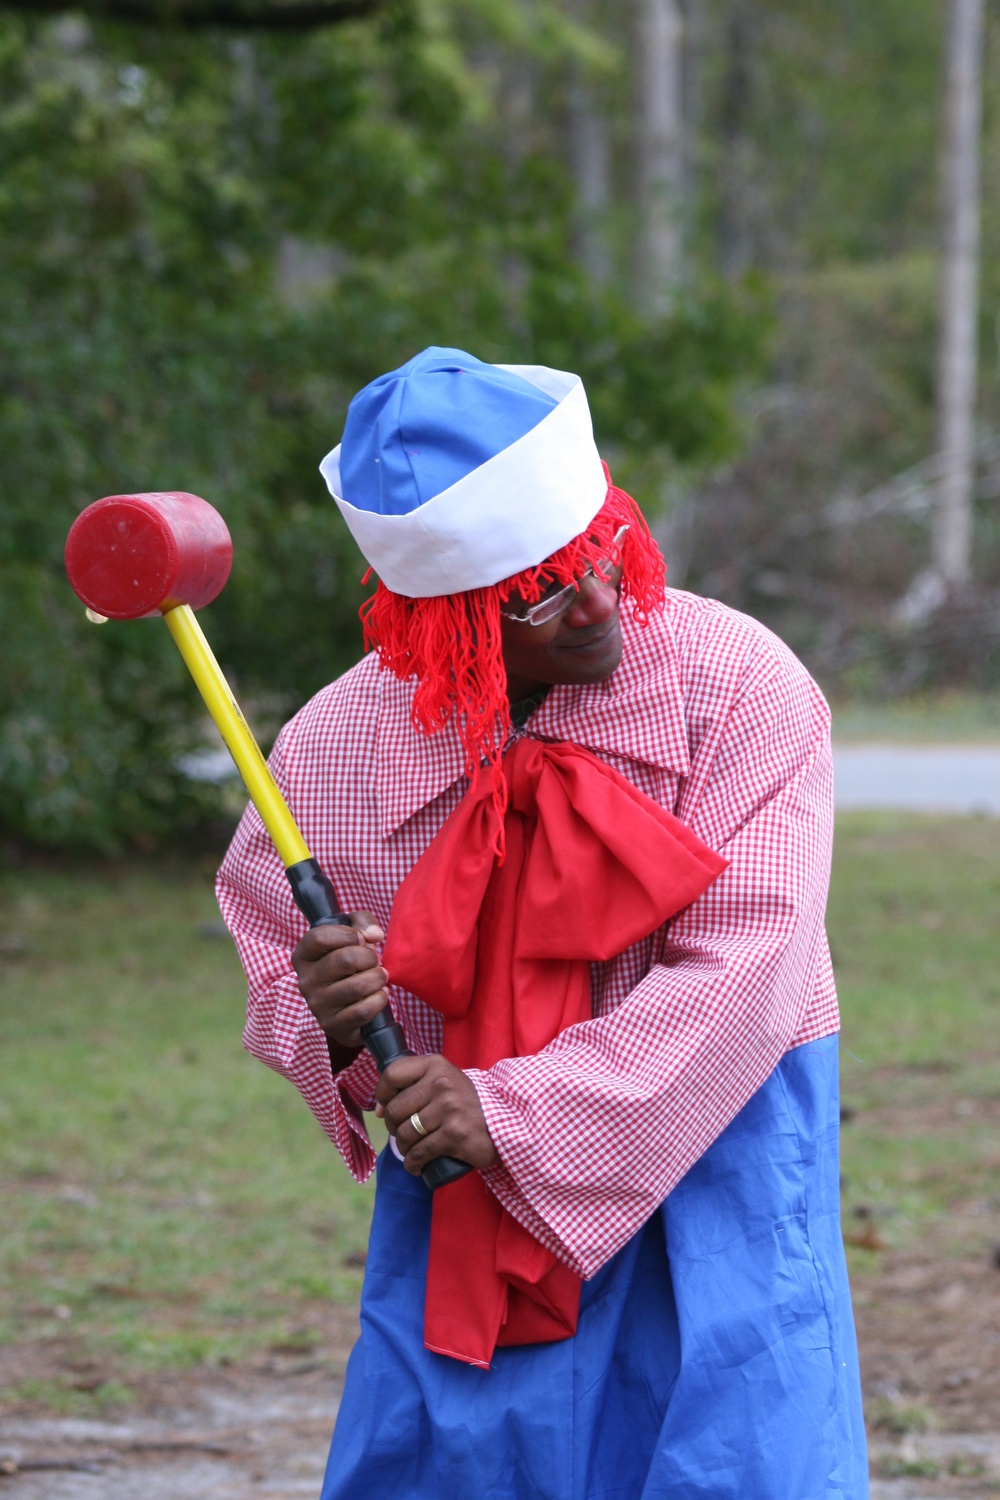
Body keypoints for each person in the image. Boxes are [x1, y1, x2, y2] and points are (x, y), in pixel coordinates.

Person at [216, 347, 869, 1500]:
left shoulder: (738, 686)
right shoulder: (332, 749)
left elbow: (747, 970)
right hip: (464, 1190)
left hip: (718, 1148)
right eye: (539, 592)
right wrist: (332, 1019)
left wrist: (516, 1106)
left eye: (606, 551)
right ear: (445, 622)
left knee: (729, 1448)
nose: (599, 601)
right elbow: (282, 956)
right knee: (459, 1463)